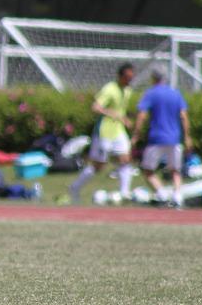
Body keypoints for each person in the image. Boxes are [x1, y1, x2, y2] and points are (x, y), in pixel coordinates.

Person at [68, 63, 135, 204]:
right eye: (127, 77)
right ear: (120, 76)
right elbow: (96, 107)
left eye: (131, 77)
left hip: (118, 131)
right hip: (104, 132)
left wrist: (124, 119)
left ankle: (124, 193)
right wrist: (112, 114)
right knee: (98, 166)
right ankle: (75, 187)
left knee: (125, 159)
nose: (129, 80)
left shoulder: (128, 90)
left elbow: (120, 111)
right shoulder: (110, 89)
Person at [132, 67, 191, 207]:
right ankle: (177, 197)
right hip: (174, 138)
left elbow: (142, 115)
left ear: (153, 78)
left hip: (156, 138)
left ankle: (162, 193)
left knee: (148, 170)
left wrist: (136, 134)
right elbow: (184, 116)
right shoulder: (176, 93)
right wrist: (187, 136)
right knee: (175, 170)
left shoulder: (151, 93)